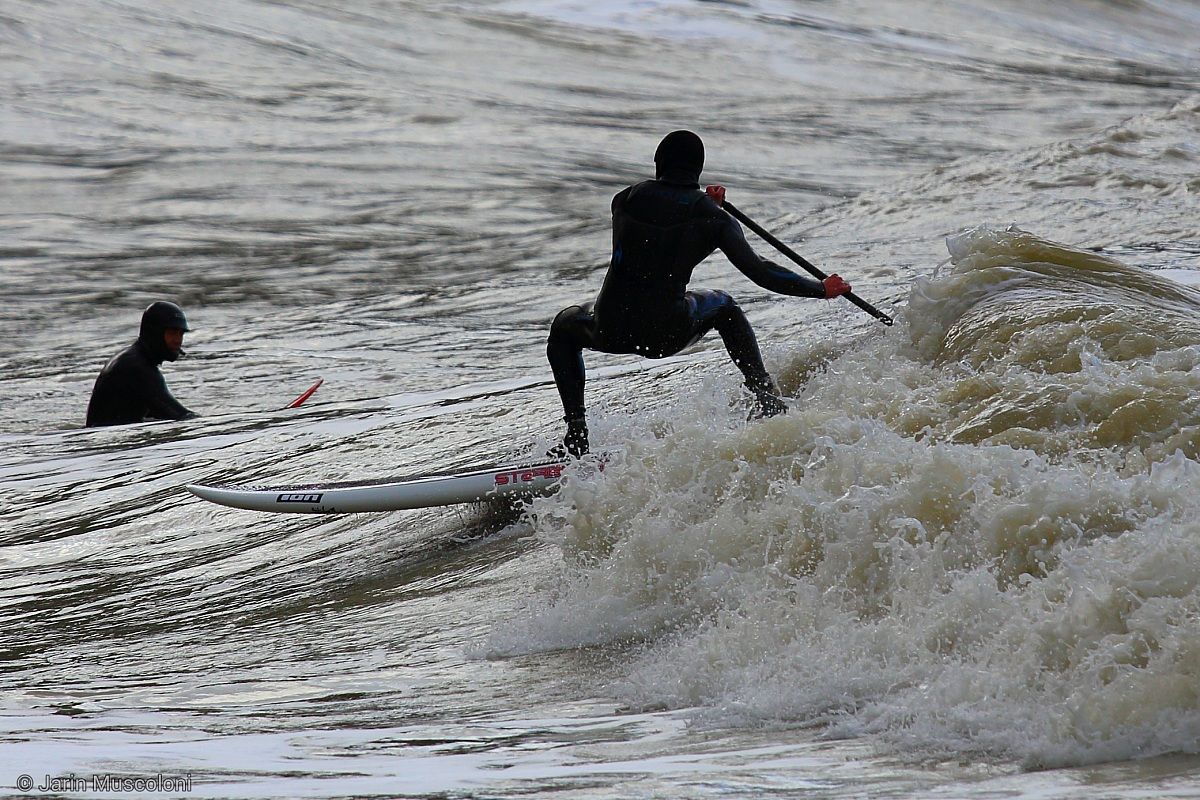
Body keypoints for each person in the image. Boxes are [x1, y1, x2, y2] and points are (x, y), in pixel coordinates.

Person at [546, 130, 852, 457]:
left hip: (609, 329)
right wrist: (820, 289)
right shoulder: (712, 220)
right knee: (726, 307)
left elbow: (657, 234)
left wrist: (708, 209)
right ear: (698, 171)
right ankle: (766, 398)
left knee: (564, 325)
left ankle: (577, 434)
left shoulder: (625, 199)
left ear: (658, 163)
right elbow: (759, 272)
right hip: (665, 333)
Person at [86, 301, 198, 427]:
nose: (178, 340)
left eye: (181, 334)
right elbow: (180, 416)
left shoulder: (134, 360)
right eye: (172, 333)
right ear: (155, 332)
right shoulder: (137, 368)